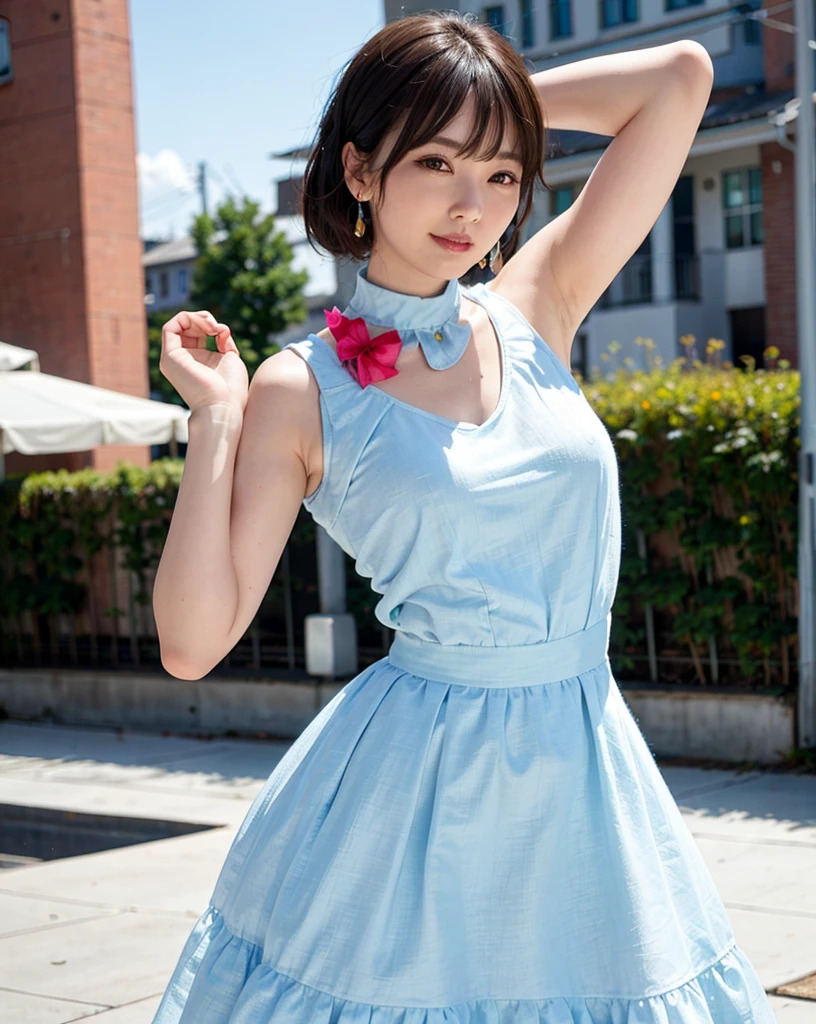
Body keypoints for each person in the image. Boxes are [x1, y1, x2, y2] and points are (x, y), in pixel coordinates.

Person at [150, 12, 775, 1022]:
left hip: (588, 763)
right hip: (420, 790)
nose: (471, 203)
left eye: (499, 170)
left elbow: (679, 78)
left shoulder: (534, 305)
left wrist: (487, 90)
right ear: (360, 170)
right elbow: (191, 641)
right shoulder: (299, 386)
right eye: (436, 160)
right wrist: (216, 419)